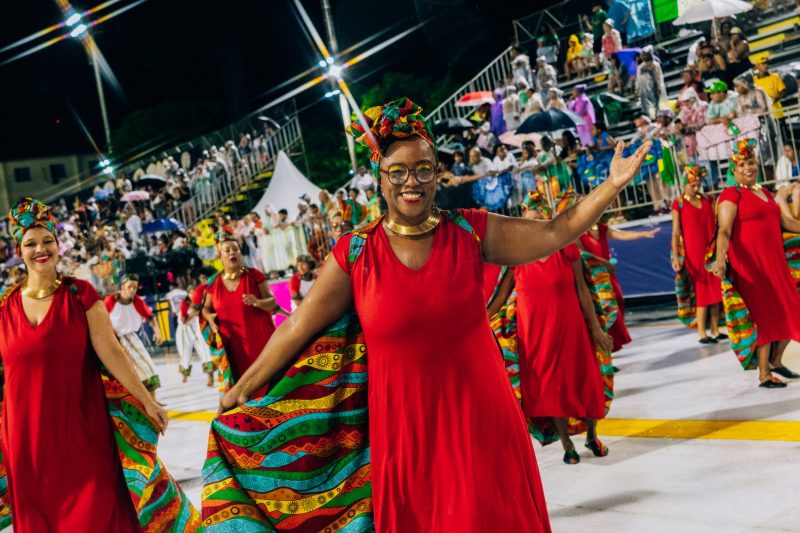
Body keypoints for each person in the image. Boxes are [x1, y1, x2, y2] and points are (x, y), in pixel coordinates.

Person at [204, 97, 652, 531]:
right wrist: (242, 387)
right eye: (397, 171)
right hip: (406, 436)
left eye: (423, 169)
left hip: (484, 424)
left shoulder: (471, 231)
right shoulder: (356, 253)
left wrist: (612, 185)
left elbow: (555, 232)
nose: (411, 182)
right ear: (379, 178)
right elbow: (298, 325)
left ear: (438, 174)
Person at [0, 198, 199, 531]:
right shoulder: (4, 306)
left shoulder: (79, 294)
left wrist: (147, 401)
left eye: (47, 240)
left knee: (98, 513)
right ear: (19, 251)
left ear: (58, 245)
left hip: (82, 429)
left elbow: (112, 353)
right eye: (31, 243)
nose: (41, 249)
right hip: (25, 440)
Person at [516, 190, 613, 464]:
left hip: (573, 331)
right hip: (537, 339)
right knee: (551, 389)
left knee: (586, 382)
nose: (534, 226)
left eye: (539, 220)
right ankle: (567, 444)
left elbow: (583, 291)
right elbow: (498, 297)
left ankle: (592, 435)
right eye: (529, 221)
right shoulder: (516, 257)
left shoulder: (566, 249)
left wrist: (596, 328)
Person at [712, 138, 800, 388]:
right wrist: (720, 258)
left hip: (776, 265)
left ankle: (776, 361)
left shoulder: (765, 192)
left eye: (751, 162)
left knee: (793, 311)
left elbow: (786, 222)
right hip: (751, 268)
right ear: (734, 170)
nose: (748, 168)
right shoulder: (732, 194)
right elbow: (724, 230)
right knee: (763, 318)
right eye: (742, 165)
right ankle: (764, 374)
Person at [201, 231, 282, 395]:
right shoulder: (213, 282)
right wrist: (209, 317)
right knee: (240, 393)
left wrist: (258, 302)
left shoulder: (254, 275)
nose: (232, 253)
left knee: (269, 389)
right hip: (233, 348)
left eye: (235, 249)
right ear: (220, 255)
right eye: (227, 250)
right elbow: (205, 309)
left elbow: (272, 302)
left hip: (261, 344)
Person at [579, 220, 660, 352]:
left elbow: (622, 234)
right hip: (594, 278)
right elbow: (581, 253)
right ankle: (605, 346)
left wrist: (643, 234)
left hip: (609, 275)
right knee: (603, 309)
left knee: (617, 302)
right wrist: (602, 263)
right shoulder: (579, 233)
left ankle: (612, 344)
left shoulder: (602, 229)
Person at [670, 166, 725, 343]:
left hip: (712, 251)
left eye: (698, 185)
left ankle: (715, 329)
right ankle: (702, 332)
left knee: (716, 290)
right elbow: (676, 233)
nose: (696, 188)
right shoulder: (679, 204)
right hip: (694, 255)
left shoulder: (708, 199)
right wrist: (676, 256)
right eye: (692, 185)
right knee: (702, 293)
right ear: (685, 185)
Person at [104, 274, 164, 396]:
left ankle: (153, 401)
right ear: (122, 287)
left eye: (135, 287)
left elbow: (151, 318)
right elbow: (101, 318)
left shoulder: (138, 301)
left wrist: (158, 332)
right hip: (112, 339)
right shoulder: (111, 300)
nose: (132, 290)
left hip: (131, 338)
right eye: (129, 287)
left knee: (147, 368)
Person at [176, 280, 215, 386]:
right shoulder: (185, 303)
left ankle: (210, 377)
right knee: (185, 353)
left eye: (194, 292)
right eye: (190, 292)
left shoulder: (201, 302)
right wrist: (194, 313)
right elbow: (184, 320)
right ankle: (184, 374)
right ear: (188, 294)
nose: (193, 294)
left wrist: (197, 312)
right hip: (185, 330)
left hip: (198, 328)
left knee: (205, 351)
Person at [753, 55, 786, 120]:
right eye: (763, 64)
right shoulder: (753, 80)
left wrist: (775, 99)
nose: (766, 65)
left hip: (777, 113)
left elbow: (783, 91)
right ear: (757, 66)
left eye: (767, 63)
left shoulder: (775, 77)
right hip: (763, 115)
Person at [637, 46, 666, 119]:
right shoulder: (641, 67)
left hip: (653, 86)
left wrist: (659, 86)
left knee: (656, 103)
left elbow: (658, 76)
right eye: (643, 54)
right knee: (646, 105)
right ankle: (648, 117)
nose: (643, 56)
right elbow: (639, 79)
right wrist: (638, 89)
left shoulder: (655, 65)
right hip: (644, 88)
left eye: (645, 54)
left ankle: (658, 116)